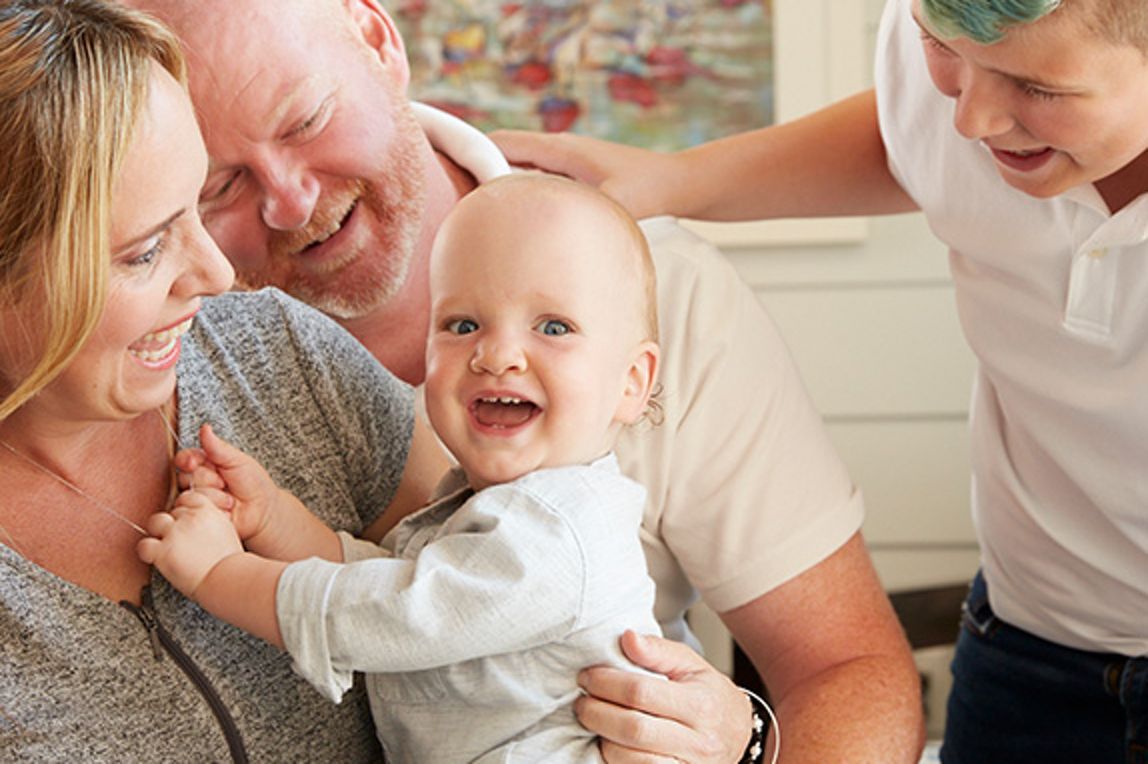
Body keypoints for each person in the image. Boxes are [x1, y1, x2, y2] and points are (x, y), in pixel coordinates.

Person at [122, 0, 925, 760]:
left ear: (378, 41)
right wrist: (277, 521)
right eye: (219, 185)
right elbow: (394, 577)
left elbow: (843, 669)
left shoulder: (648, 292)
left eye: (306, 119)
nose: (292, 204)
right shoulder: (151, 338)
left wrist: (744, 742)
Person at [492, 0, 1148, 762]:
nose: (970, 120)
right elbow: (908, 140)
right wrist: (676, 179)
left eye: (1036, 89)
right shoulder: (966, 77)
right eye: (943, 50)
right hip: (1026, 638)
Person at [0, 1, 449, 759]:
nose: (213, 276)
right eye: (145, 252)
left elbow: (491, 588)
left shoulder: (278, 354)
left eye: (197, 206)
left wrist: (714, 725)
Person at [140, 173, 689, 762]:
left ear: (632, 383)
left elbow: (400, 615)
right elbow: (396, 579)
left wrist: (221, 574)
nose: (496, 354)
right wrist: (274, 520)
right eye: (462, 325)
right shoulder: (491, 506)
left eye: (553, 327)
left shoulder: (563, 531)